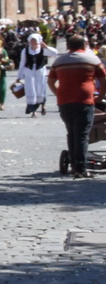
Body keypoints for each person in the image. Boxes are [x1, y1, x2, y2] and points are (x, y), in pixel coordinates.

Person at [47, 34, 102, 179]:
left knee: (71, 132)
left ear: (67, 47)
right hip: (85, 100)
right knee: (82, 135)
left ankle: (74, 165)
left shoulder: (59, 61)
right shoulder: (92, 59)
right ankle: (80, 168)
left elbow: (51, 81)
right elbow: (104, 79)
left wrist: (58, 93)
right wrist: (100, 97)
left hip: (65, 101)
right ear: (84, 45)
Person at [18, 32, 50, 116]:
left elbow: (54, 53)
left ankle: (43, 105)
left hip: (40, 71)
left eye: (35, 40)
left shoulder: (42, 49)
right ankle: (33, 110)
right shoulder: (26, 50)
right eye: (32, 40)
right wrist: (19, 76)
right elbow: (22, 62)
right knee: (31, 89)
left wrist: (46, 46)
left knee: (41, 88)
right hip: (29, 71)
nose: (33, 42)